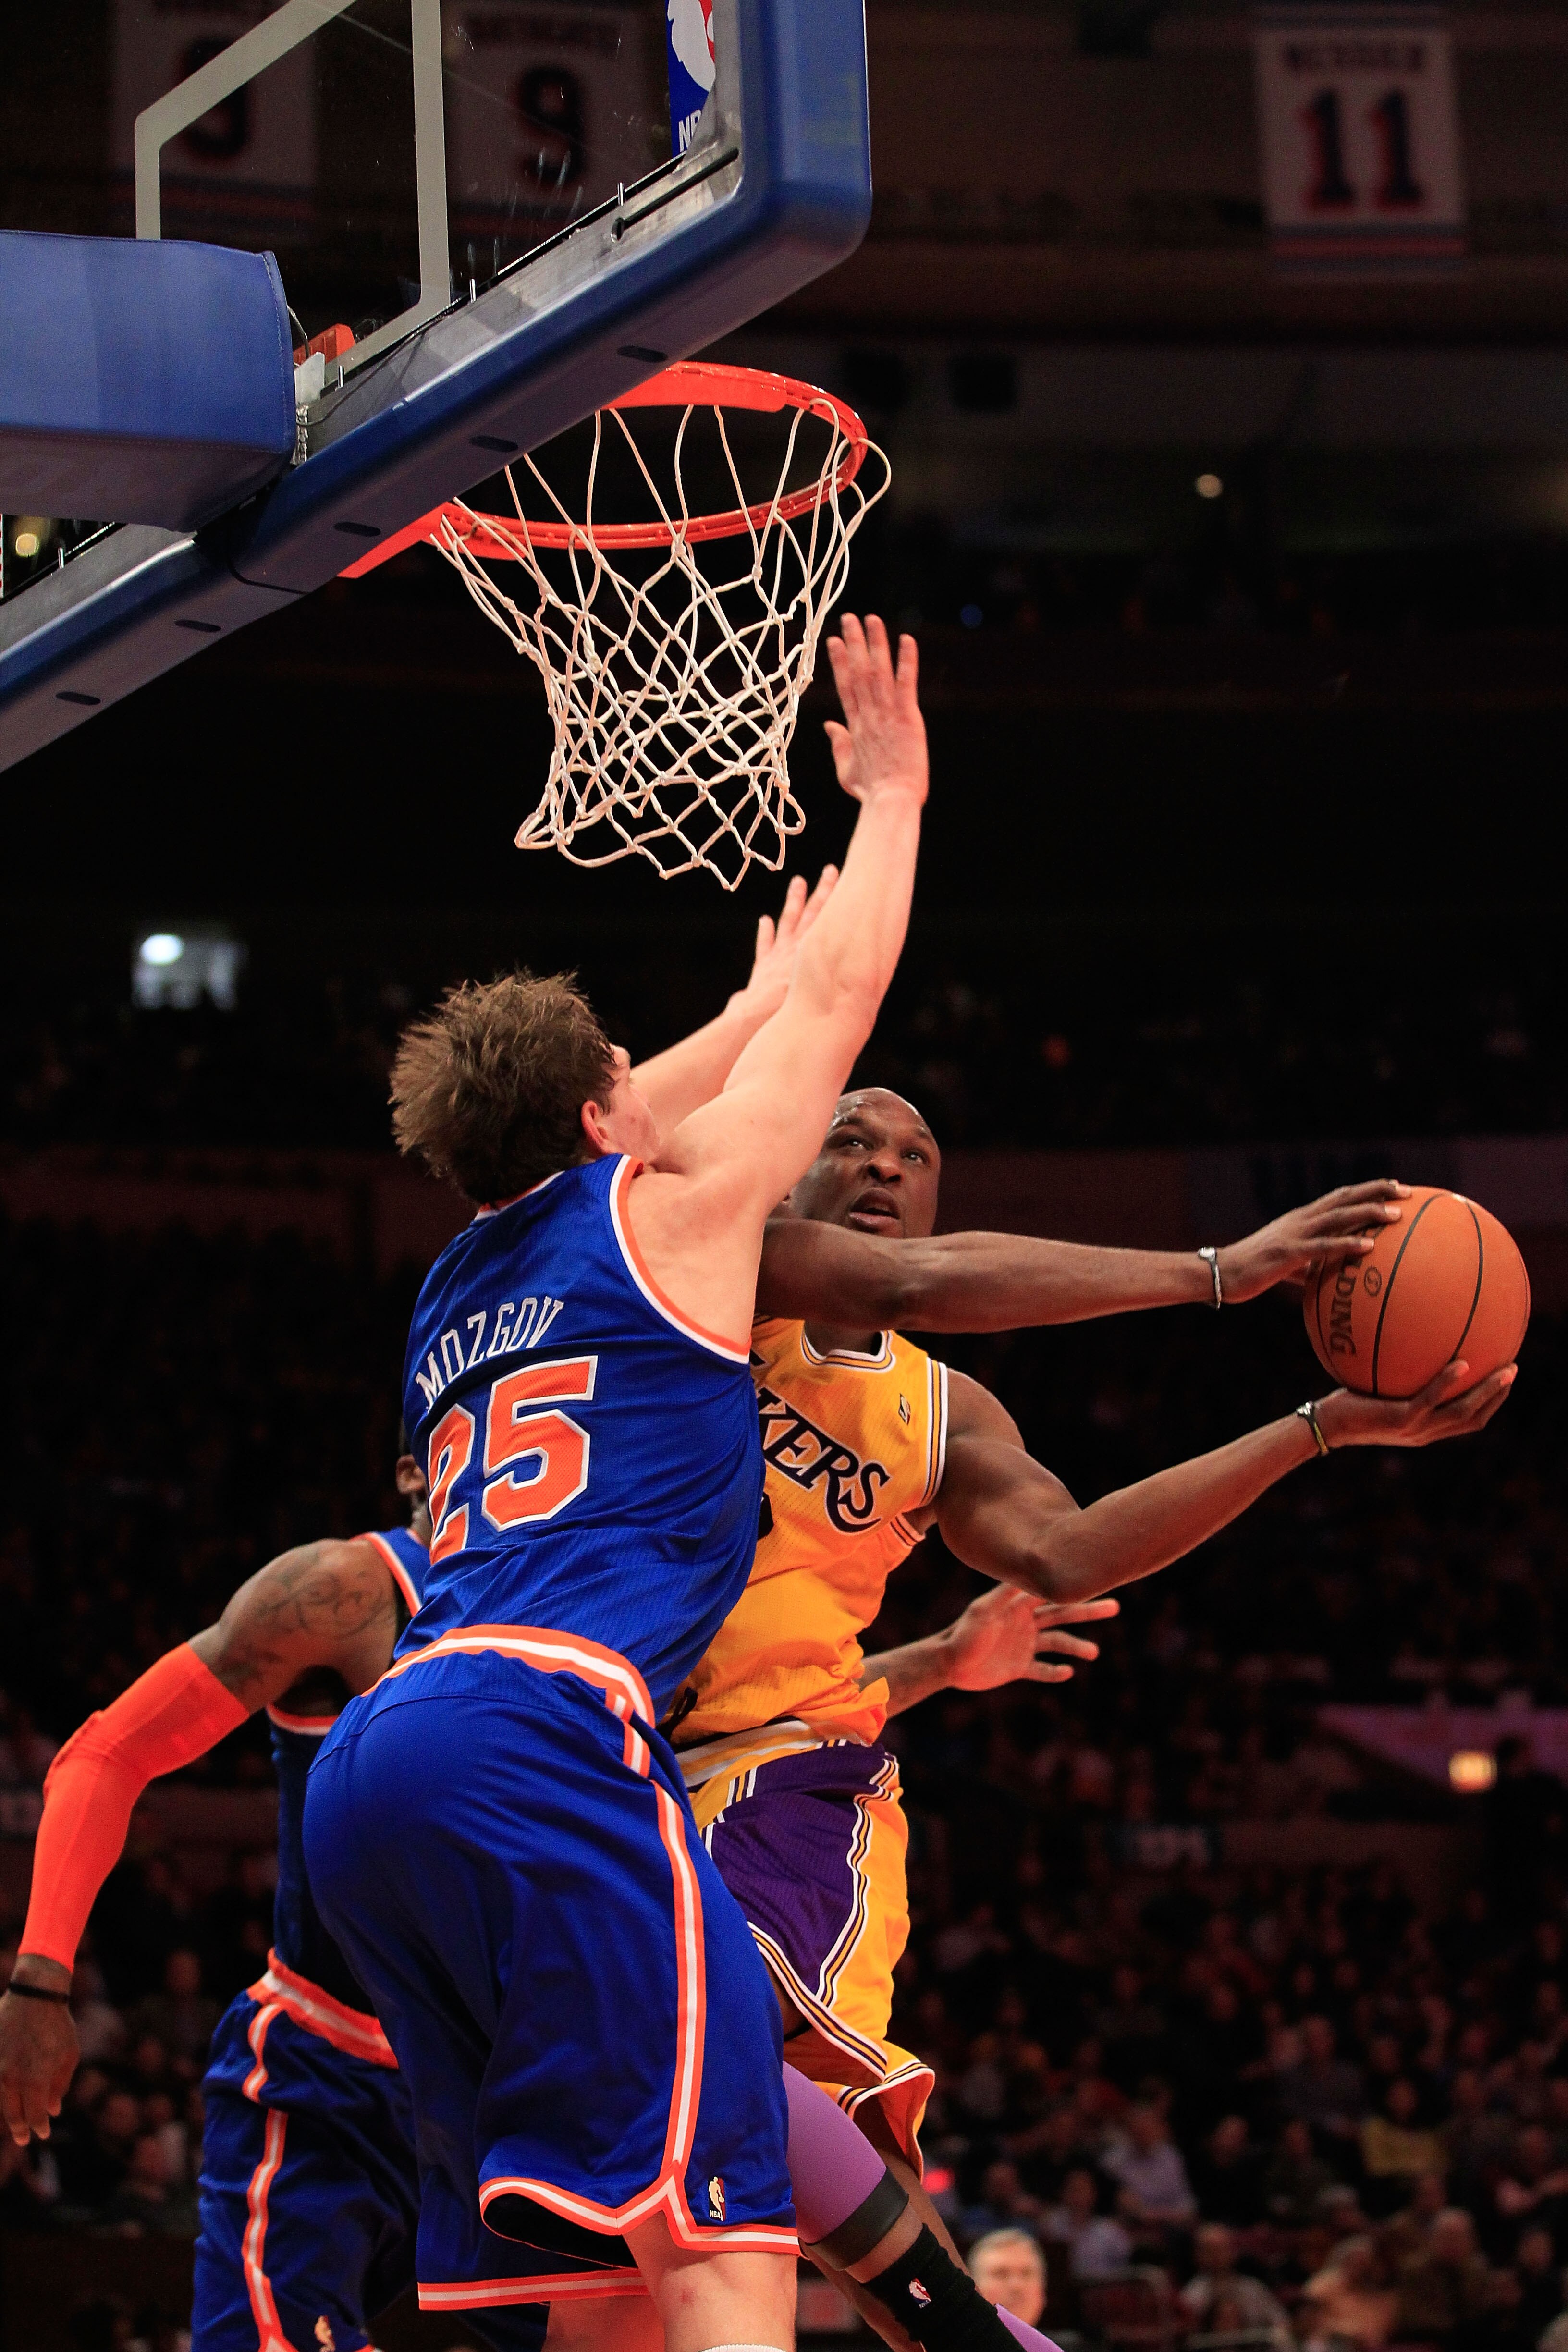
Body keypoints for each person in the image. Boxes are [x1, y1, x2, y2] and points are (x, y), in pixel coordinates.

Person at [302, 616, 945, 2352]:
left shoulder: (455, 1282)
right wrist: (886, 800)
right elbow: (840, 1006)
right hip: (545, 1736)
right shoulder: (671, 1221)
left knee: (583, 2281)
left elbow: (599, 1109)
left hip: (373, 1780)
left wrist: (730, 1012)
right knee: (719, 2239)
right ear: (609, 1120)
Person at [666, 1074, 1511, 2316]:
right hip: (597, 1743)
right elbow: (911, 1283)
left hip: (778, 1782)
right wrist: (1220, 1270)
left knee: (732, 2065)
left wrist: (1316, 1429)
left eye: (916, 1152)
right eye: (851, 1140)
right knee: (625, 2183)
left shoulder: (943, 1411)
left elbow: (1068, 1554)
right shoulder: (718, 1290)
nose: (885, 1165)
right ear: (791, 1174)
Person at [0, 1459, 453, 2352]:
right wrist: (40, 1981)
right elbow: (105, 1753)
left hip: (504, 2079)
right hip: (335, 2075)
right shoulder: (346, 1589)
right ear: (414, 1467)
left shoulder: (594, 1601)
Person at [1178, 2223, 1290, 2350]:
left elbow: (1281, 2324)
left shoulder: (1253, 2289)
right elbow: (1187, 2339)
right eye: (1209, 2250)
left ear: (1234, 2252)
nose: (1216, 2256)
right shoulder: (1191, 2296)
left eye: (1221, 2249)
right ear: (1197, 2255)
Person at [968, 2230, 1048, 2330]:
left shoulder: (1064, 2345)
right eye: (1001, 2274)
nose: (1016, 2286)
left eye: (1027, 2274)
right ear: (974, 2288)